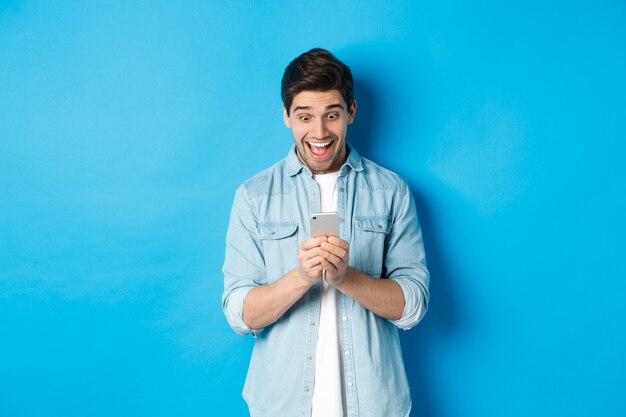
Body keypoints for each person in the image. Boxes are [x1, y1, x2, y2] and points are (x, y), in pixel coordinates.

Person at [222, 48, 429, 417]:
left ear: (351, 111)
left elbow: (412, 305)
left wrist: (345, 277)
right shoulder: (254, 196)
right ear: (286, 116)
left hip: (374, 405)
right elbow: (240, 314)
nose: (319, 133)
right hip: (281, 406)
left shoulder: (391, 191)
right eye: (305, 116)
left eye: (331, 115)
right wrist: (302, 277)